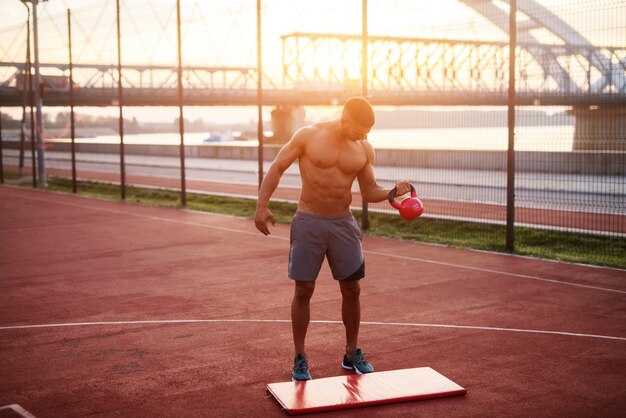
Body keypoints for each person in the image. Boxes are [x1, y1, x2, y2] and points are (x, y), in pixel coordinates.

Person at [254, 97, 411, 381]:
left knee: (352, 290)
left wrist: (392, 192)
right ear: (345, 119)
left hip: (342, 223)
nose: (363, 136)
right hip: (308, 222)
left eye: (367, 132)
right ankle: (300, 357)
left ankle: (352, 353)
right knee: (304, 290)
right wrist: (261, 205)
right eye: (359, 130)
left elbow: (369, 189)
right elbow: (277, 167)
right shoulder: (309, 135)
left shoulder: (363, 148)